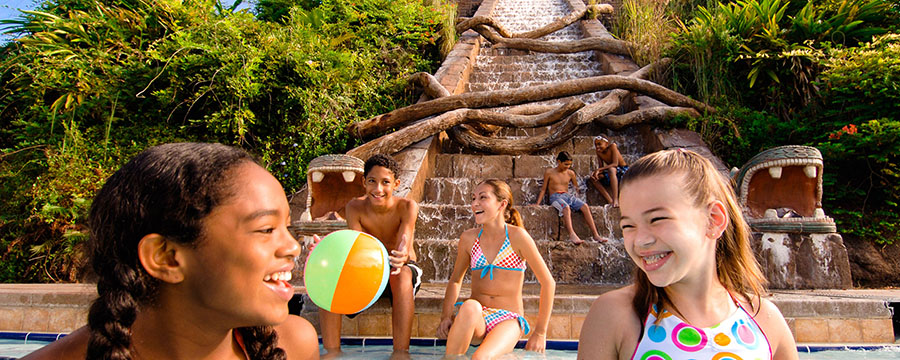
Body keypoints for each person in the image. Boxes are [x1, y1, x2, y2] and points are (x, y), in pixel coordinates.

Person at [23, 142, 320, 360]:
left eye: (287, 228)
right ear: (166, 257)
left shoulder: (295, 344)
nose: (292, 246)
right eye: (266, 229)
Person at [577, 149, 798, 360]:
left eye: (657, 219)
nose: (641, 240)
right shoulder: (617, 315)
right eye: (628, 226)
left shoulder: (765, 321)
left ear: (714, 219)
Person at [437, 179, 556, 360]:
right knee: (469, 306)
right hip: (477, 318)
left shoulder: (518, 237)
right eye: (473, 198)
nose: (475, 203)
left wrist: (540, 332)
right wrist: (445, 317)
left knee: (479, 358)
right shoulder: (469, 239)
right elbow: (455, 280)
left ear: (502, 204)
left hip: (508, 319)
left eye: (483, 198)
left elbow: (548, 282)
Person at [316, 154, 421, 356]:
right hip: (367, 267)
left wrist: (401, 255)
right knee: (330, 278)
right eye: (372, 181)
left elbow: (405, 242)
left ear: (396, 184)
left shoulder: (407, 207)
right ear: (364, 182)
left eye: (385, 182)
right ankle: (332, 352)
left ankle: (401, 353)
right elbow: (356, 247)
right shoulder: (354, 207)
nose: (378, 189)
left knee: (400, 275)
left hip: (400, 265)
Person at [535, 151, 606, 244]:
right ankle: (572, 234)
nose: (567, 166)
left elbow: (576, 187)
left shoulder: (571, 173)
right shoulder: (550, 172)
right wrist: (537, 204)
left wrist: (578, 196)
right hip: (555, 197)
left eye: (569, 164)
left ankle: (596, 235)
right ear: (558, 161)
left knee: (585, 206)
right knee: (566, 208)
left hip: (568, 196)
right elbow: (544, 189)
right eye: (565, 164)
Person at [588, 135, 628, 208]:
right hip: (612, 172)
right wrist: (596, 173)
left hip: (623, 170)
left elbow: (615, 164)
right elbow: (601, 167)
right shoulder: (598, 152)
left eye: (599, 144)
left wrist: (598, 170)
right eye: (596, 145)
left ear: (606, 144)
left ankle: (616, 199)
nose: (597, 147)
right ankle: (610, 200)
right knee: (593, 178)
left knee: (612, 169)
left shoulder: (613, 146)